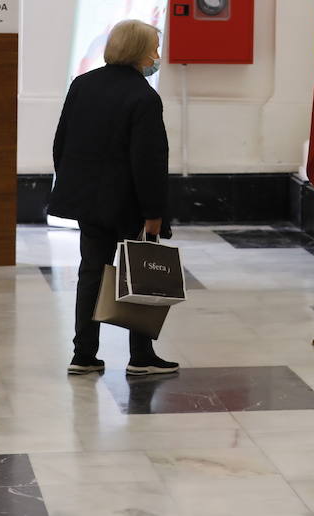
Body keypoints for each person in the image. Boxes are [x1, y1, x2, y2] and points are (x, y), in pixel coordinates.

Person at [49, 19, 178, 376]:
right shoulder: (144, 97)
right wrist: (154, 212)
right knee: (140, 274)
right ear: (138, 52)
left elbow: (61, 143)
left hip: (88, 201)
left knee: (91, 273)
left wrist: (73, 185)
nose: (157, 55)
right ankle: (141, 356)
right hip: (128, 204)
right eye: (154, 47)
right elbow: (148, 161)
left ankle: (84, 354)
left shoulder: (82, 84)